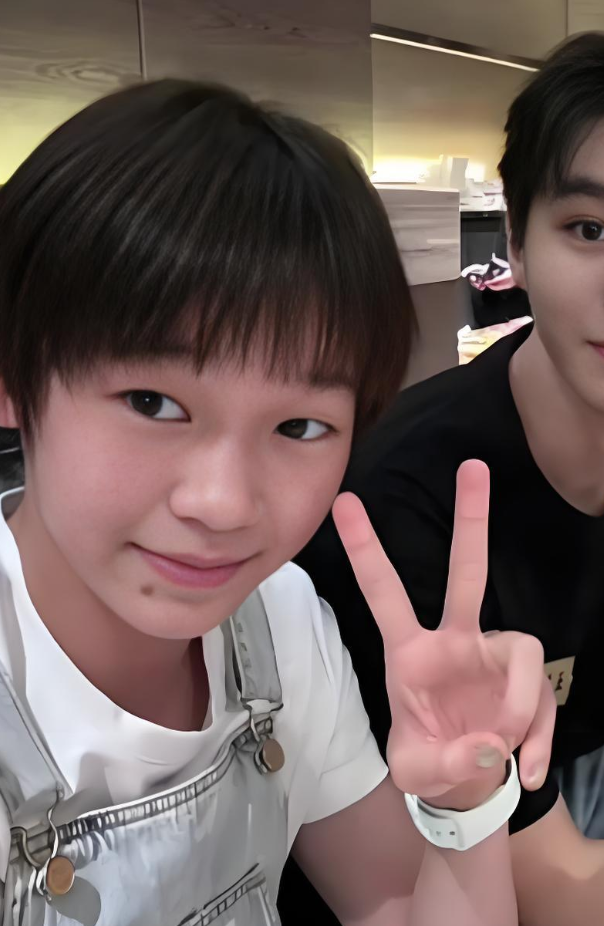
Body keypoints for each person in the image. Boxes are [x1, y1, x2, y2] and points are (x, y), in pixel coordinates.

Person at [0, 79, 552, 926]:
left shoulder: (281, 621)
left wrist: (466, 796)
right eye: (153, 403)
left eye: (299, 426)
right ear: (13, 377)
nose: (223, 503)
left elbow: (396, 907)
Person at [293, 12, 604, 925]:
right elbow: (544, 889)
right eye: (589, 228)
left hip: (577, 778)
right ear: (516, 243)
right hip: (441, 860)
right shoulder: (405, 496)